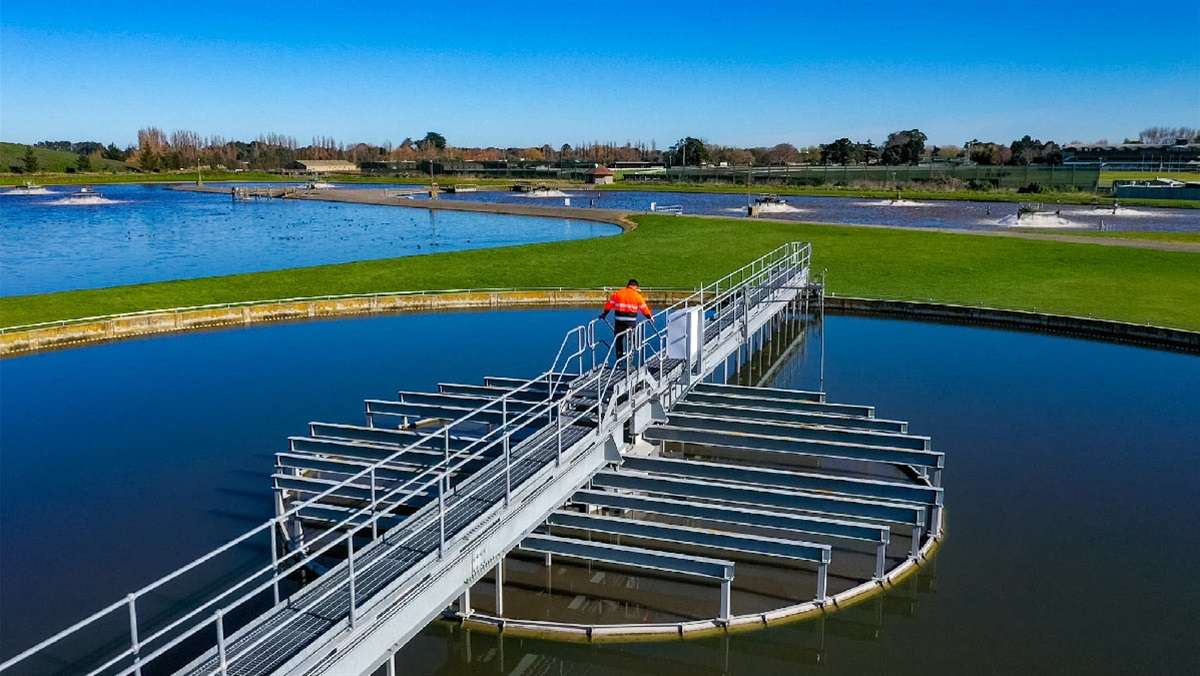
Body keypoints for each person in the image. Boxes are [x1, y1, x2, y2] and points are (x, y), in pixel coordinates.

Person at [599, 279, 654, 358]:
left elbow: (609, 305)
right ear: (635, 286)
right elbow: (643, 308)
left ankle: (619, 359)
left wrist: (604, 314)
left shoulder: (618, 293)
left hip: (619, 321)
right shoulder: (636, 295)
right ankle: (629, 361)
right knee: (631, 341)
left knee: (618, 340)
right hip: (630, 322)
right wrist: (649, 317)